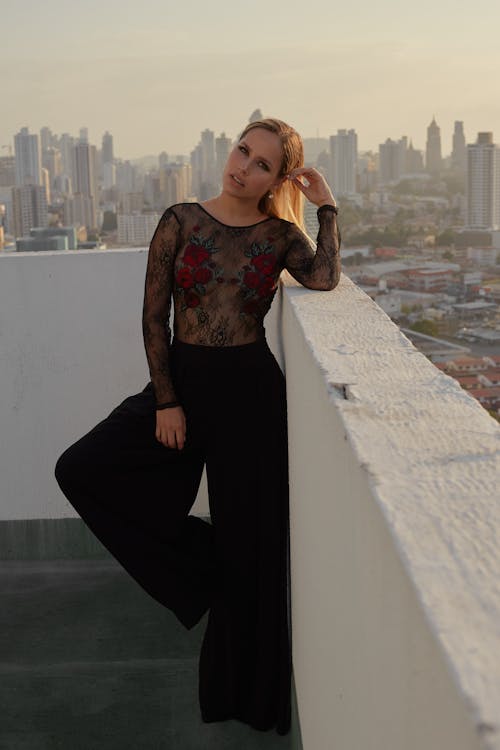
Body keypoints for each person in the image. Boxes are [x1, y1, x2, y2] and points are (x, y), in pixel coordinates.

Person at [54, 117, 341, 736]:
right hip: (182, 383)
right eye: (243, 150)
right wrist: (165, 401)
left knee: (257, 546)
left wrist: (326, 208)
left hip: (252, 395)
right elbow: (154, 316)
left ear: (275, 179)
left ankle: (251, 703)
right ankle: (204, 571)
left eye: (262, 163)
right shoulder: (180, 219)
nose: (243, 166)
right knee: (81, 469)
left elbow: (322, 278)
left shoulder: (278, 232)